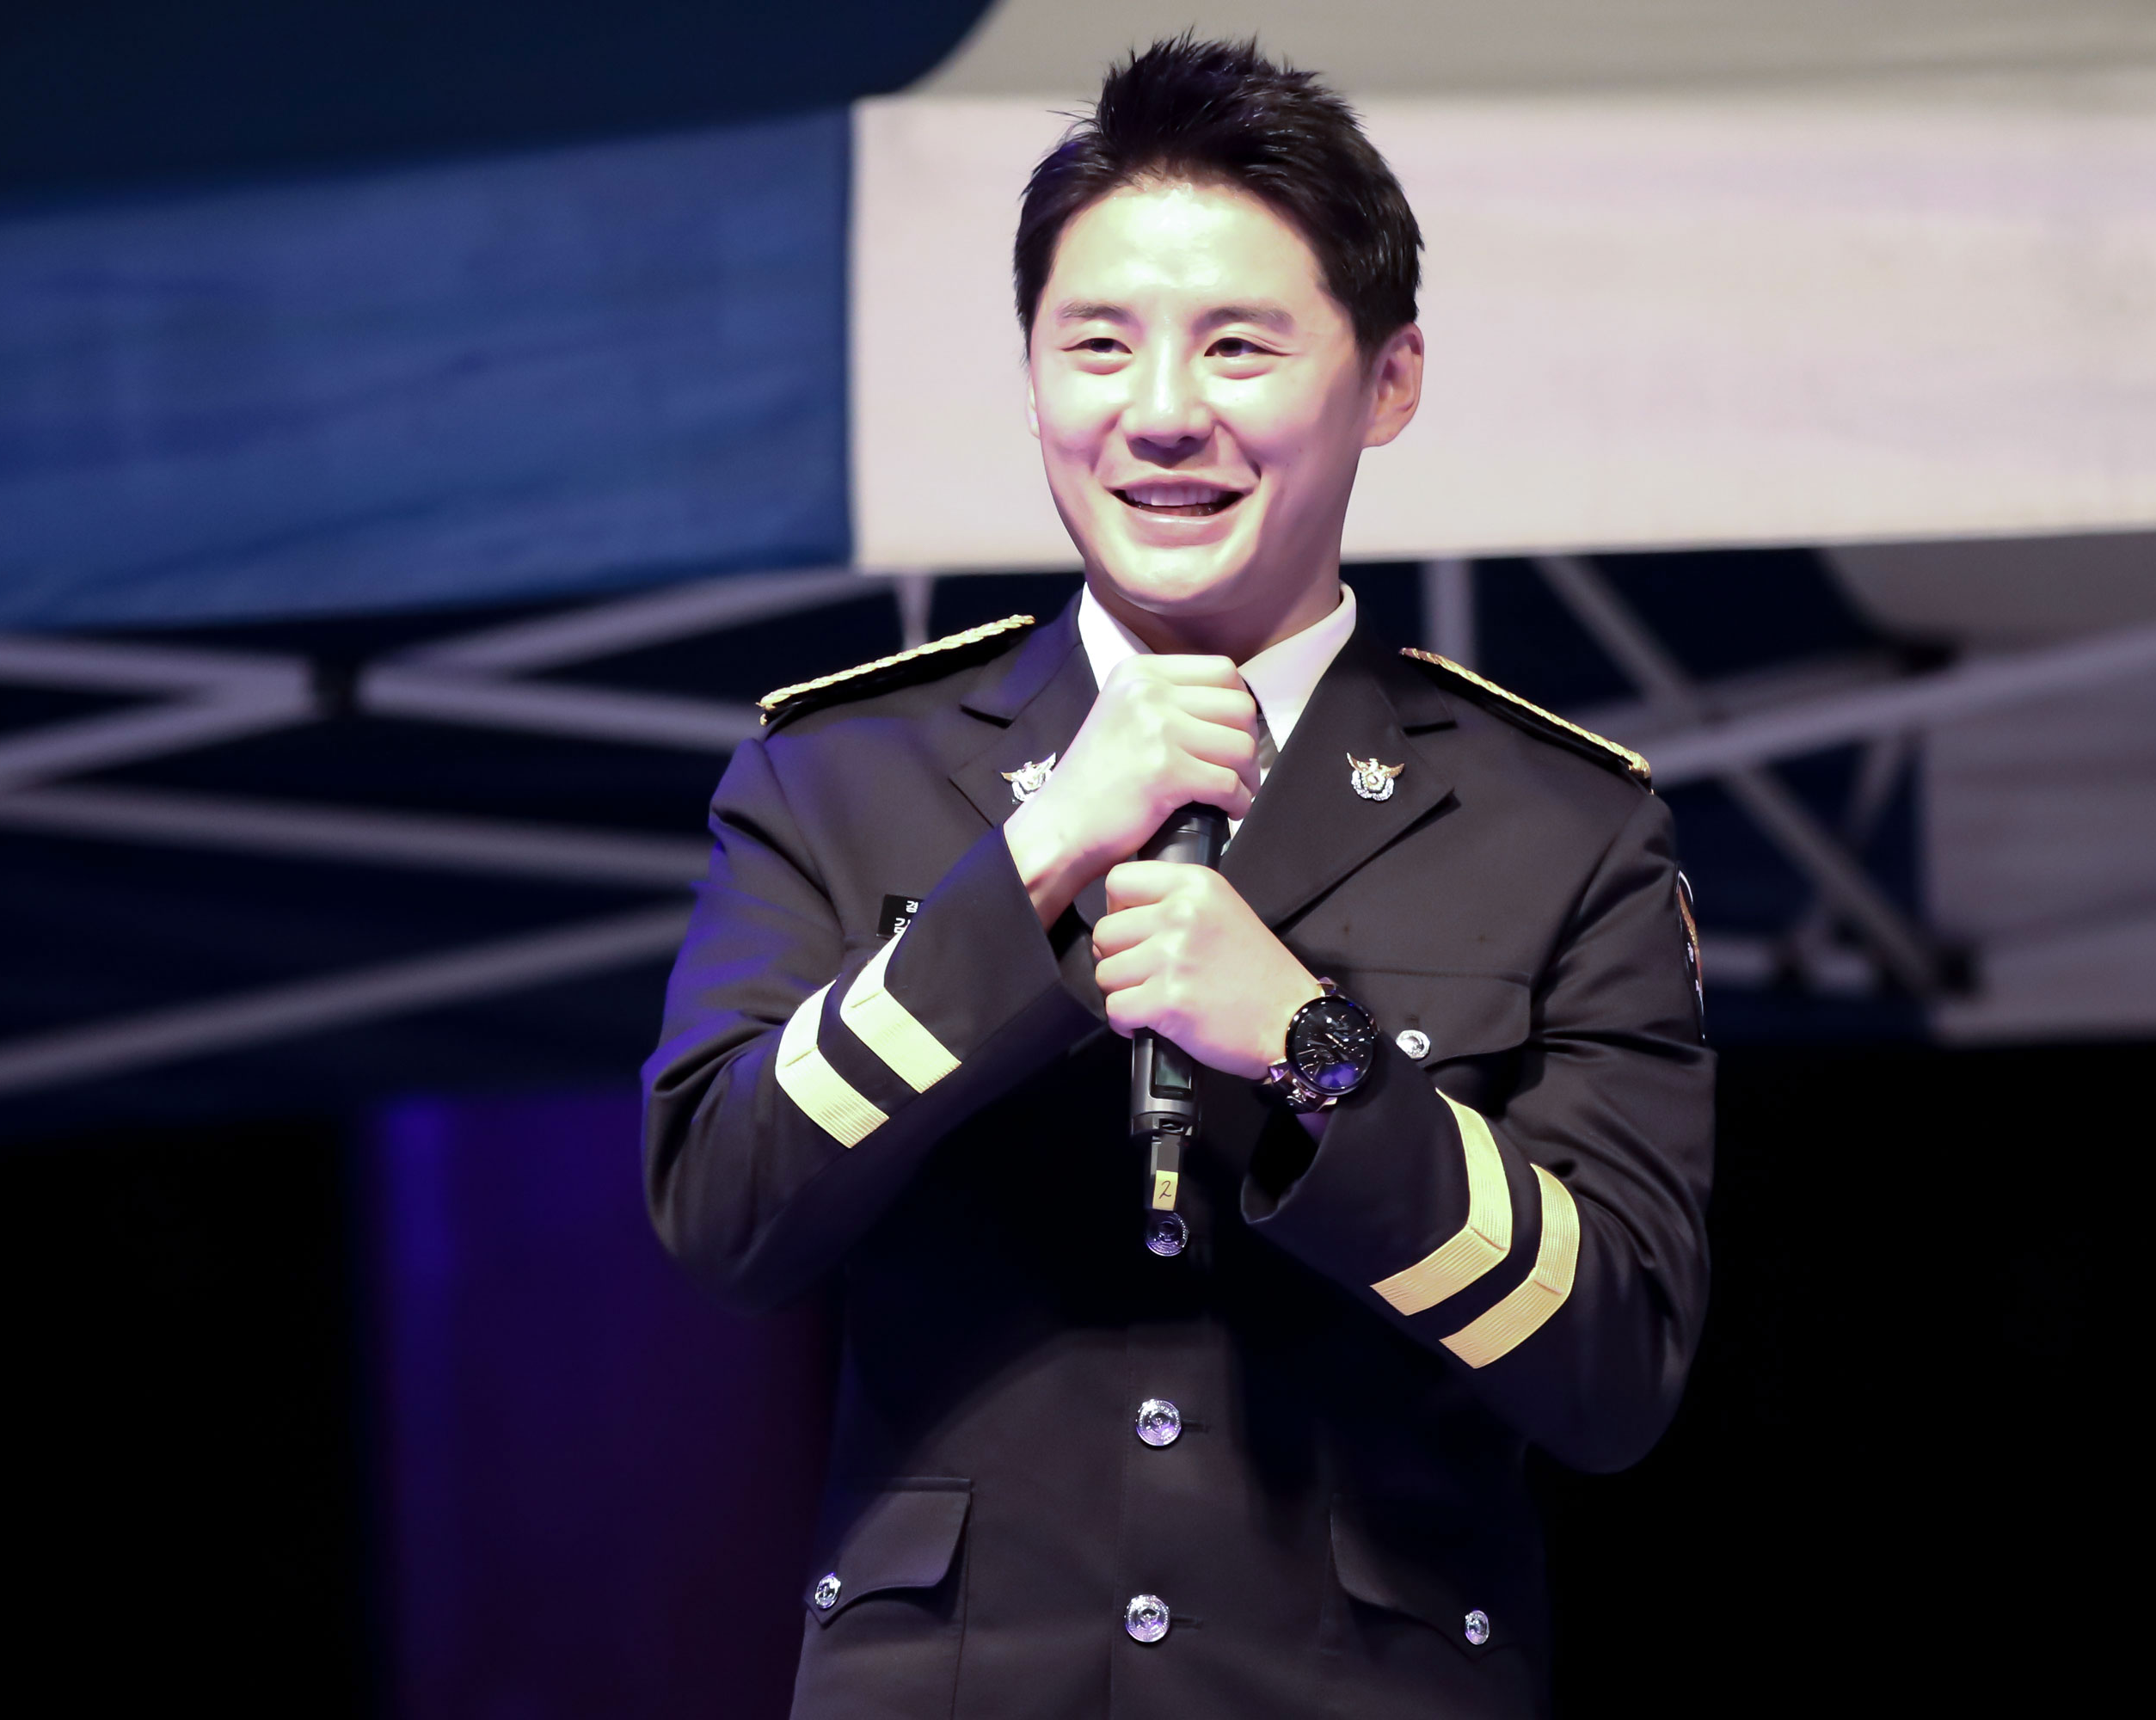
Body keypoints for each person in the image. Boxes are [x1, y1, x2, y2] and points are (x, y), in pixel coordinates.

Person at [643, 35, 1711, 1718]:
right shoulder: (839, 775)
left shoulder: (1561, 825)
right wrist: (1035, 859)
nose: (1158, 413)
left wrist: (1314, 1049)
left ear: (1390, 382)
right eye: (1098, 345)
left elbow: (1617, 1368)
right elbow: (720, 1213)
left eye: (1236, 345)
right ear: (1031, 381)